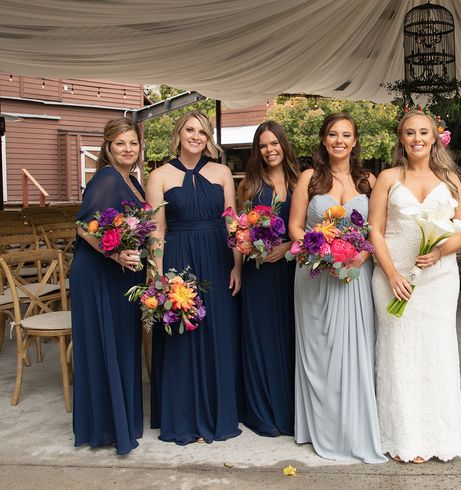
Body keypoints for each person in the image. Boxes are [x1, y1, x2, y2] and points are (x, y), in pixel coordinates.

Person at [369, 110, 461, 463]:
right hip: (394, 276)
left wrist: (441, 250)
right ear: (401, 138)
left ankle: (439, 436)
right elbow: (375, 230)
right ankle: (404, 437)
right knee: (399, 351)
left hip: (438, 280)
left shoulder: (451, 179)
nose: (417, 139)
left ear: (434, 136)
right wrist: (392, 273)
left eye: (423, 132)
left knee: (437, 350)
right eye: (410, 133)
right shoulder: (387, 177)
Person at [289, 112, 386, 463]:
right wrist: (322, 251)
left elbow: (378, 228)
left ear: (355, 141)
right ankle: (321, 427)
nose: (339, 141)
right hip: (317, 277)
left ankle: (354, 428)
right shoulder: (309, 178)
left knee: (356, 350)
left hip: (356, 276)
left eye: (346, 135)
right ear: (324, 140)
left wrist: (360, 255)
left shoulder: (368, 180)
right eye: (333, 134)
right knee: (321, 354)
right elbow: (295, 228)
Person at [146, 110, 242, 445]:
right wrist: (157, 277)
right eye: (190, 129)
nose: (196, 136)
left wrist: (237, 265)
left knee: (218, 333)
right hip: (179, 260)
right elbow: (157, 230)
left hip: (217, 258)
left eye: (202, 131)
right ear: (179, 133)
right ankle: (185, 417)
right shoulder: (158, 176)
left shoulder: (223, 172)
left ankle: (216, 415)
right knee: (181, 335)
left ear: (209, 137)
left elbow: (232, 222)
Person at [71, 118, 146, 454]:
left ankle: (120, 421)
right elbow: (84, 226)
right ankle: (105, 427)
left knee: (119, 343)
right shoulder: (106, 177)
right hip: (100, 272)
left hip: (120, 273)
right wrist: (115, 255)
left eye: (132, 143)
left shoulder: (130, 179)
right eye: (120, 144)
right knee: (106, 343)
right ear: (108, 147)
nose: (128, 149)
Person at [236, 121, 299, 436]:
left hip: (291, 271)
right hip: (258, 272)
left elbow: (308, 229)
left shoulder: (301, 182)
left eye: (274, 143)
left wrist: (288, 246)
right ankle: (262, 412)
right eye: (263, 145)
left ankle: (290, 411)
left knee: (289, 338)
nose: (270, 150)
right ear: (256, 150)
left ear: (284, 145)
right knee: (261, 340)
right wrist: (240, 261)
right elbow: (238, 230)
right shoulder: (249, 185)